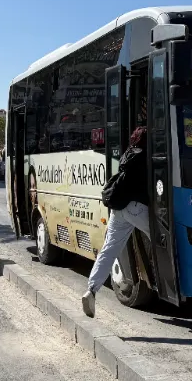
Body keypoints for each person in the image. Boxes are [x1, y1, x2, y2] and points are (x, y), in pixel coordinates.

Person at [82, 127, 149, 318]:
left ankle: (91, 290)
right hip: (137, 207)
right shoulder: (146, 155)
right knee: (163, 240)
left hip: (119, 208)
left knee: (109, 249)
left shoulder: (128, 153)